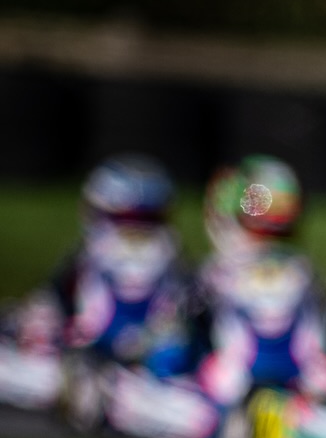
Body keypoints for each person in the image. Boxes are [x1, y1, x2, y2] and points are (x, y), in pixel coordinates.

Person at [0, 154, 194, 419]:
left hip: (138, 368)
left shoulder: (170, 267)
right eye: (125, 219)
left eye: (143, 221)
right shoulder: (177, 263)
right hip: (94, 361)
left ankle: (101, 391)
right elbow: (45, 314)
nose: (133, 231)